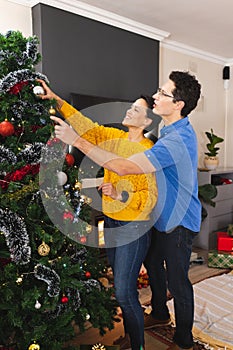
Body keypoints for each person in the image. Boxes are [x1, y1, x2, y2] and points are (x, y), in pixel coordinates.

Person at [43, 70, 202, 350]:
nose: (156, 96)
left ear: (178, 104)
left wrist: (76, 141)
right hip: (156, 217)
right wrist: (55, 98)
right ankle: (161, 314)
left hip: (177, 220)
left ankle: (184, 341)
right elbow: (90, 127)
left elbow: (126, 168)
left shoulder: (174, 140)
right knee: (153, 266)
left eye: (163, 93)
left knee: (177, 282)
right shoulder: (168, 129)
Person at [38, 79, 158, 350]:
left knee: (125, 294)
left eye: (137, 110)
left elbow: (148, 199)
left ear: (147, 122)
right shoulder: (114, 139)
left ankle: (138, 345)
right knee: (122, 290)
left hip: (133, 226)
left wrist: (120, 195)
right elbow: (85, 126)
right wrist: (55, 97)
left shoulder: (149, 152)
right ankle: (130, 338)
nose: (129, 111)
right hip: (114, 223)